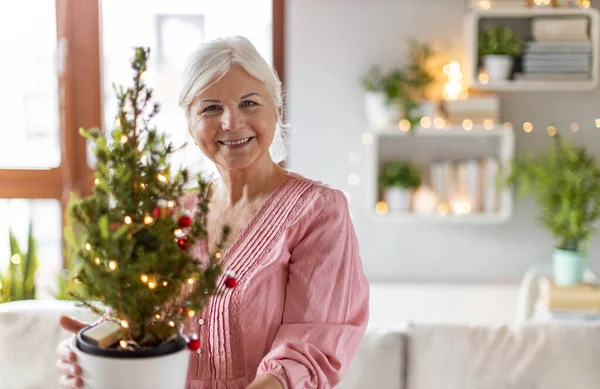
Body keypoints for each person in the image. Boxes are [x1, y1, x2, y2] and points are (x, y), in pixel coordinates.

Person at [56, 36, 369, 389]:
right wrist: (96, 353)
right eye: (210, 108)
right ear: (190, 123)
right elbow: (145, 324)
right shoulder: (174, 215)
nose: (232, 122)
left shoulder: (318, 211)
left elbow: (309, 350)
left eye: (249, 102)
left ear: (276, 109)